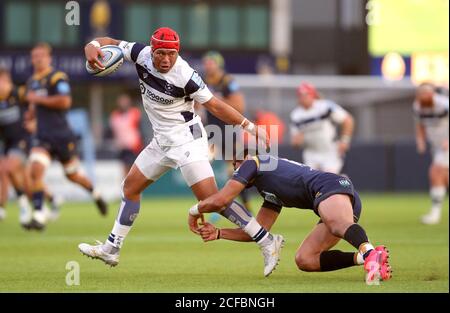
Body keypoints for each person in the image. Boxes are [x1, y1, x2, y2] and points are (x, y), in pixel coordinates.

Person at [78, 27, 283, 277]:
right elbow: (107, 41)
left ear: (178, 53)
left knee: (214, 202)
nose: (166, 59)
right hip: (161, 142)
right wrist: (91, 45)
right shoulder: (140, 53)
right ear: (152, 50)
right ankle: (112, 248)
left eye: (171, 54)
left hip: (187, 141)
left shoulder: (186, 75)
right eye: (161, 53)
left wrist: (250, 126)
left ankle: (266, 240)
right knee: (130, 188)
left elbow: (217, 106)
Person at [196, 152, 392, 284]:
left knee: (336, 224)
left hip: (330, 186)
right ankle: (367, 257)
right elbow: (258, 231)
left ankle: (370, 253)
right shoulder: (267, 190)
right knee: (305, 259)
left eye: (236, 163)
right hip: (328, 198)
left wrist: (195, 209)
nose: (234, 168)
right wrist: (220, 233)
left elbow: (222, 199)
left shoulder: (254, 162)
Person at [24, 43, 108, 230]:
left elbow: (64, 101)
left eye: (41, 56)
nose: (37, 59)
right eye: (34, 56)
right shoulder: (31, 82)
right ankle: (38, 215)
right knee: (35, 170)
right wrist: (30, 115)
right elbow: (33, 107)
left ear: (48, 58)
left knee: (72, 175)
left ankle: (96, 194)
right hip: (42, 136)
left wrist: (37, 100)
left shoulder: (57, 77)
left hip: (62, 135)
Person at [202, 51, 251, 218]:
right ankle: (214, 205)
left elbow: (240, 107)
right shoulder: (203, 81)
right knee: (201, 165)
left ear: (218, 64)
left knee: (236, 171)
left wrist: (216, 100)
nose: (208, 66)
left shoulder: (228, 82)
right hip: (210, 131)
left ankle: (246, 208)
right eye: (206, 62)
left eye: (211, 62)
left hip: (228, 130)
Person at [290, 82, 354, 174]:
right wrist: (297, 142)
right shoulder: (296, 115)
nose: (303, 98)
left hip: (330, 151)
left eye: (306, 95)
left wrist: (345, 140)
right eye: (300, 95)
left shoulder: (325, 106)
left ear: (313, 95)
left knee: (332, 182)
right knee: (312, 185)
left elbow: (347, 120)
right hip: (311, 153)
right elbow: (295, 142)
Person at [0, 68, 33, 224]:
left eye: (4, 81)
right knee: (18, 177)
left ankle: (23, 204)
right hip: (7, 143)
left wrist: (34, 121)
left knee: (7, 169)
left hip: (22, 139)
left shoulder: (19, 93)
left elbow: (35, 103)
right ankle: (31, 202)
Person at [414, 83, 449, 225]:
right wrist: (420, 140)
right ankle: (435, 212)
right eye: (421, 93)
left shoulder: (444, 103)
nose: (424, 96)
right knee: (443, 176)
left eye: (427, 93)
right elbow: (420, 124)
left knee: (435, 172)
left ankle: (435, 214)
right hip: (437, 146)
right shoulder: (417, 106)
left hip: (446, 145)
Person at [109, 93, 143, 177]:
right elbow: (112, 132)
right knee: (125, 168)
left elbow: (140, 128)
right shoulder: (114, 116)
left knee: (135, 169)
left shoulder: (134, 113)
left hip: (134, 146)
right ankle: (127, 187)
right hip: (122, 147)